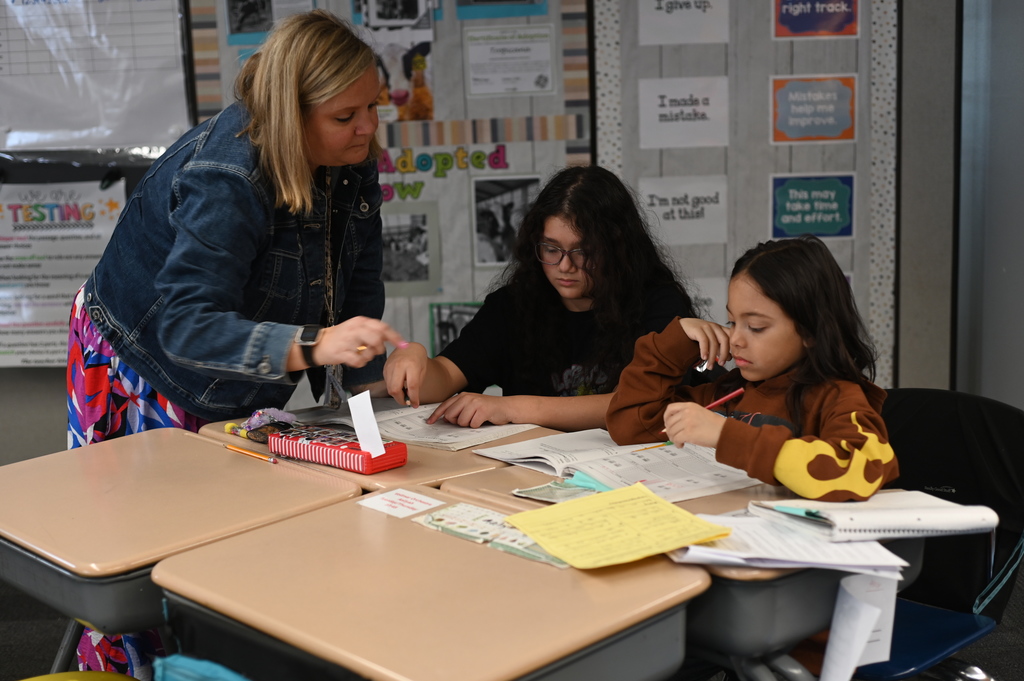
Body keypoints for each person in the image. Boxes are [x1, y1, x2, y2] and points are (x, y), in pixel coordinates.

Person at [66, 10, 403, 677]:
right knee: (152, 568)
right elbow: (186, 325)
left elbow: (356, 290)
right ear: (291, 112)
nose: (367, 128)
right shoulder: (229, 173)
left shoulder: (350, 158)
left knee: (236, 549)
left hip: (239, 363)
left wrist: (375, 402)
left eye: (373, 107)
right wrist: (317, 344)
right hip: (143, 360)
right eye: (346, 116)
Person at [383, 164, 704, 432]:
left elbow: (640, 402)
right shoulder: (512, 305)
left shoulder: (658, 304)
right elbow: (447, 376)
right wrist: (414, 359)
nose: (565, 266)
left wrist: (514, 407)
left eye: (584, 252)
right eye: (551, 249)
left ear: (617, 249)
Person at [606, 234, 899, 502]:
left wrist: (726, 435)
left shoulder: (840, 397)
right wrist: (676, 341)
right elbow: (632, 426)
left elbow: (860, 470)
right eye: (732, 322)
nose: (736, 339)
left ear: (811, 331)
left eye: (756, 327)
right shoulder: (731, 392)